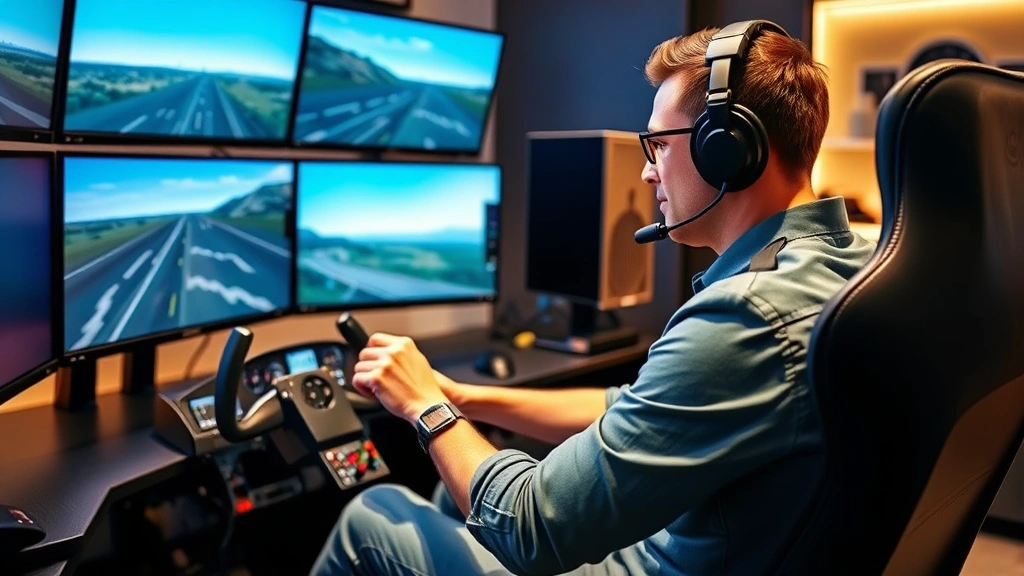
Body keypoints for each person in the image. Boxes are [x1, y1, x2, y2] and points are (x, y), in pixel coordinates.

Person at [311, 21, 875, 576]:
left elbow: (531, 532)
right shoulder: (850, 265)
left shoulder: (746, 315)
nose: (646, 171)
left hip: (666, 560)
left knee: (374, 515)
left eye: (657, 144)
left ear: (728, 149)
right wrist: (461, 397)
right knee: (445, 491)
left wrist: (423, 408)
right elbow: (630, 407)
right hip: (720, 540)